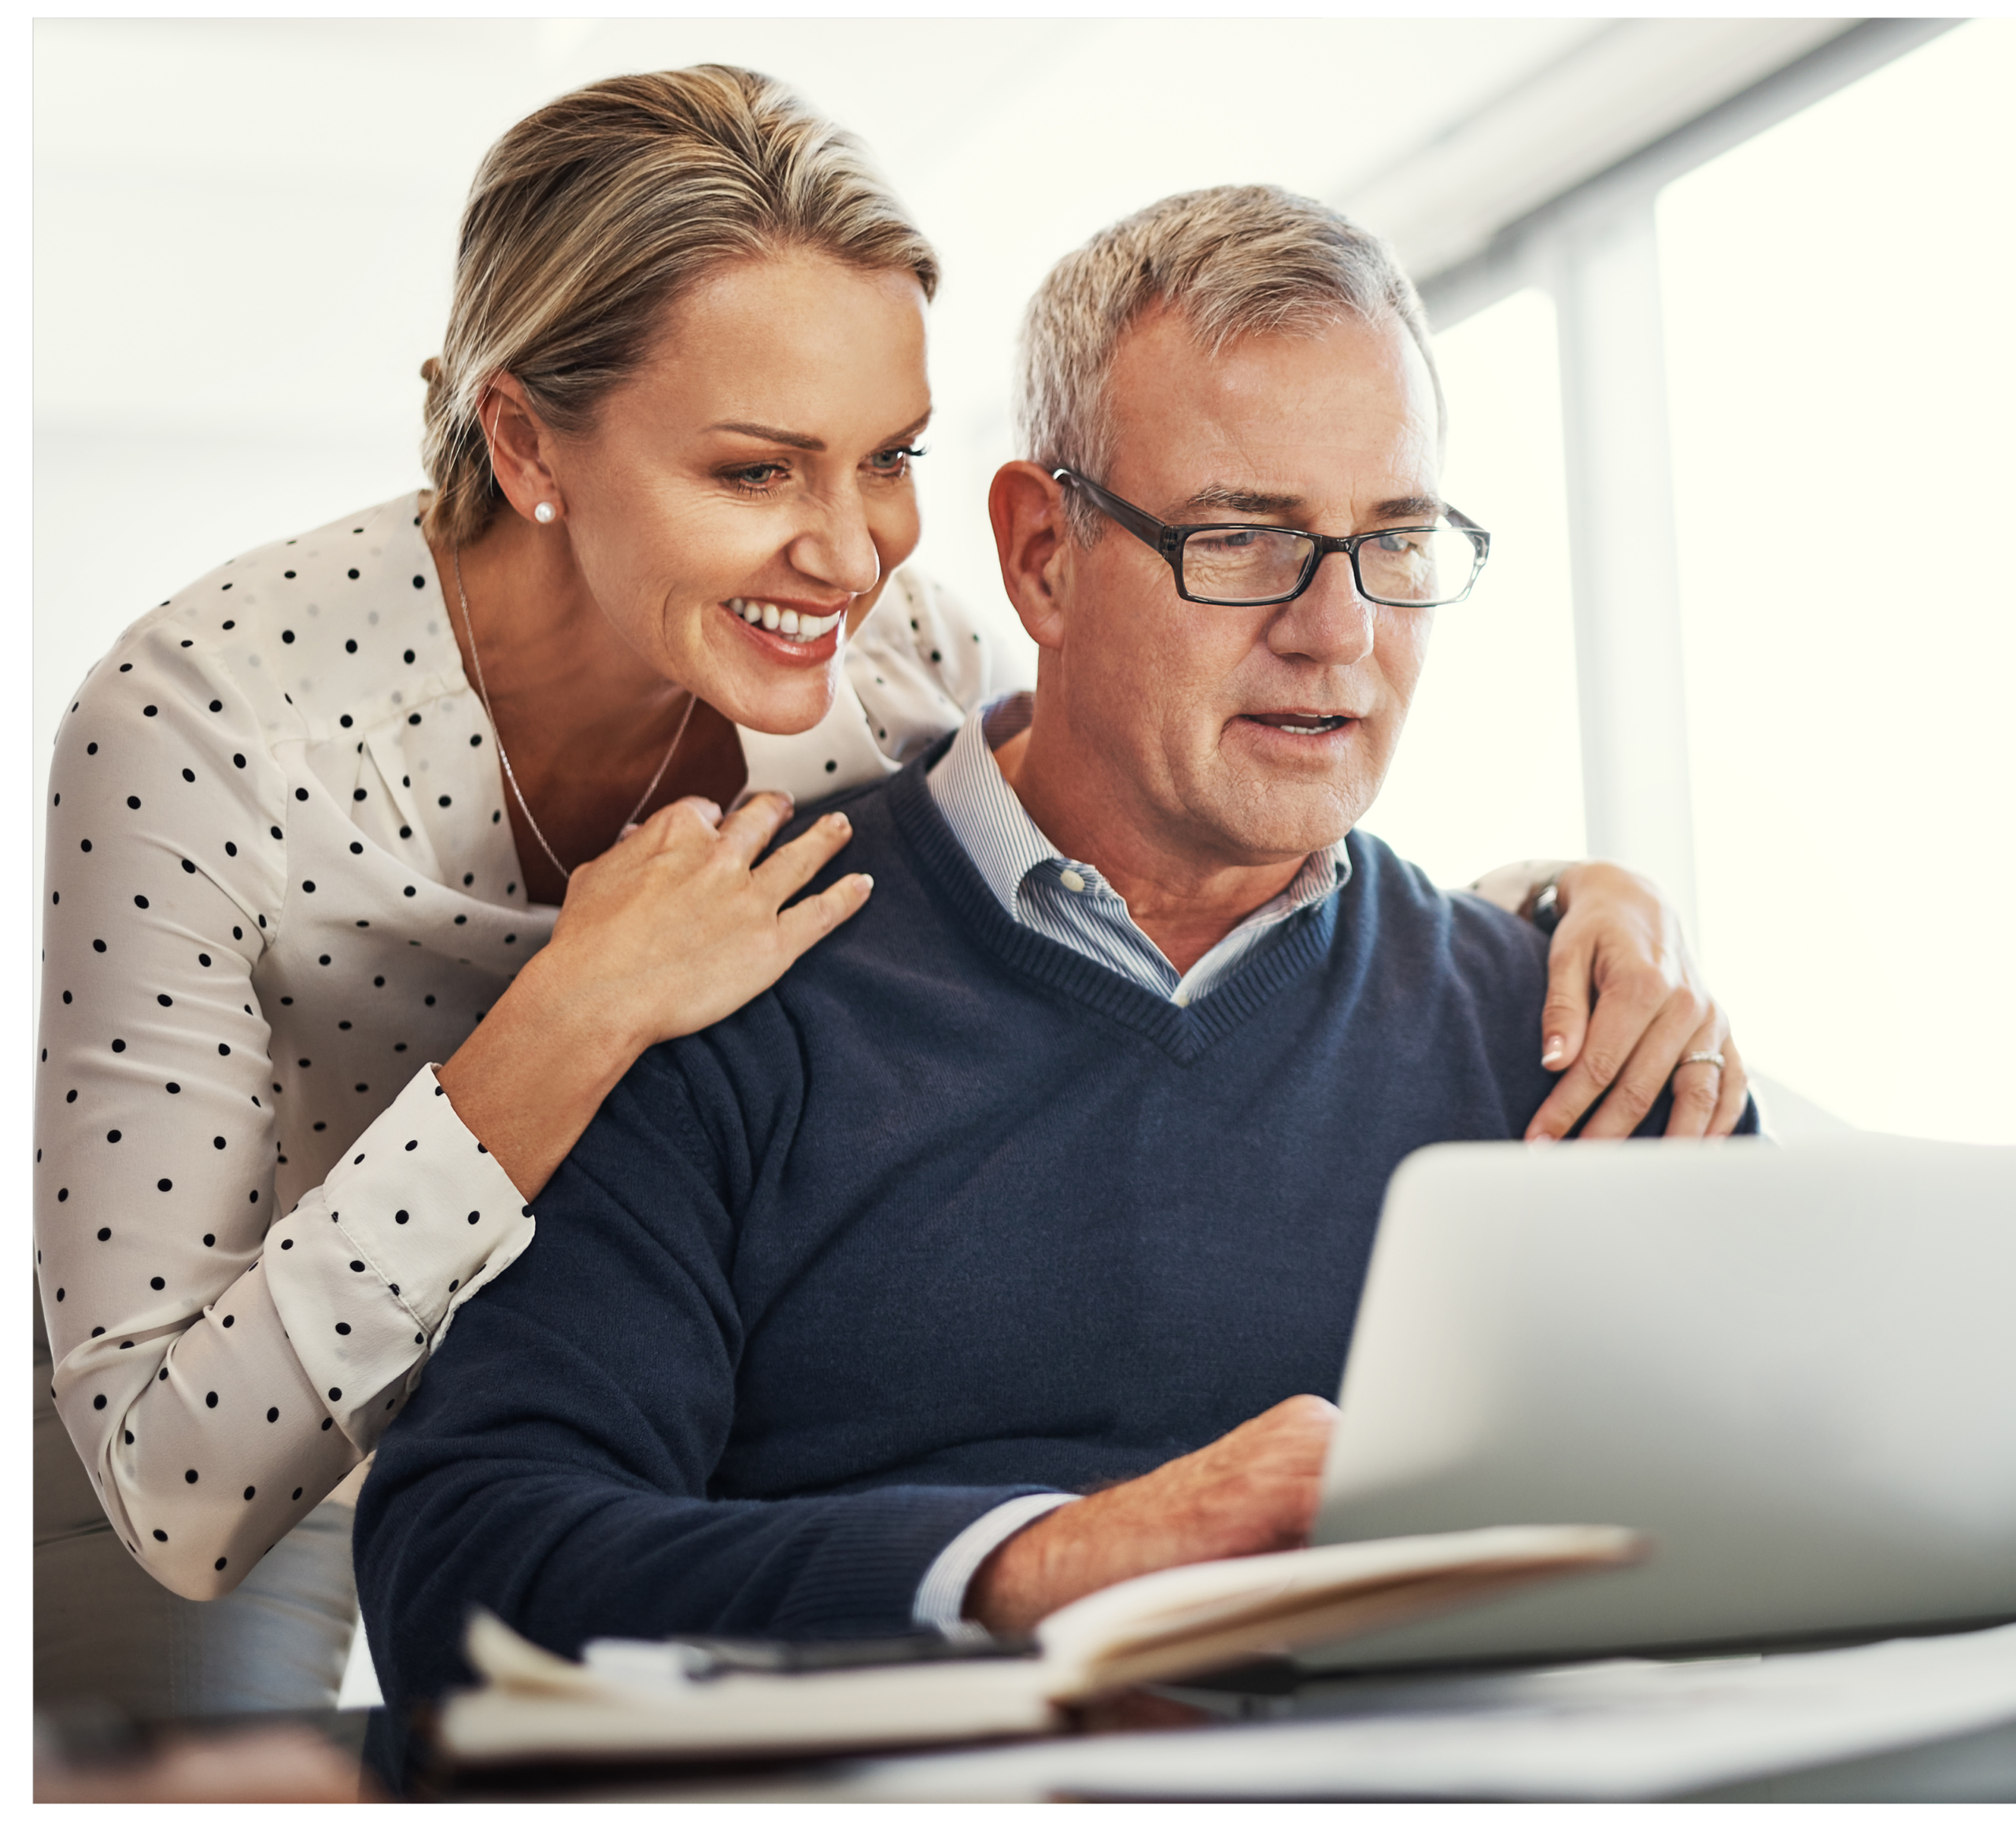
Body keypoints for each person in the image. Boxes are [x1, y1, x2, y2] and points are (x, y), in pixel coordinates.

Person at [32, 67, 1744, 1721]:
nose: (851, 552)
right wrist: (576, 1012)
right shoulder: (208, 732)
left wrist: (1552, 915)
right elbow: (210, 1492)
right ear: (526, 444)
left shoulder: (886, 657)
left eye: (886, 459)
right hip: (191, 1413)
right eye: (755, 469)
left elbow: (1150, 788)